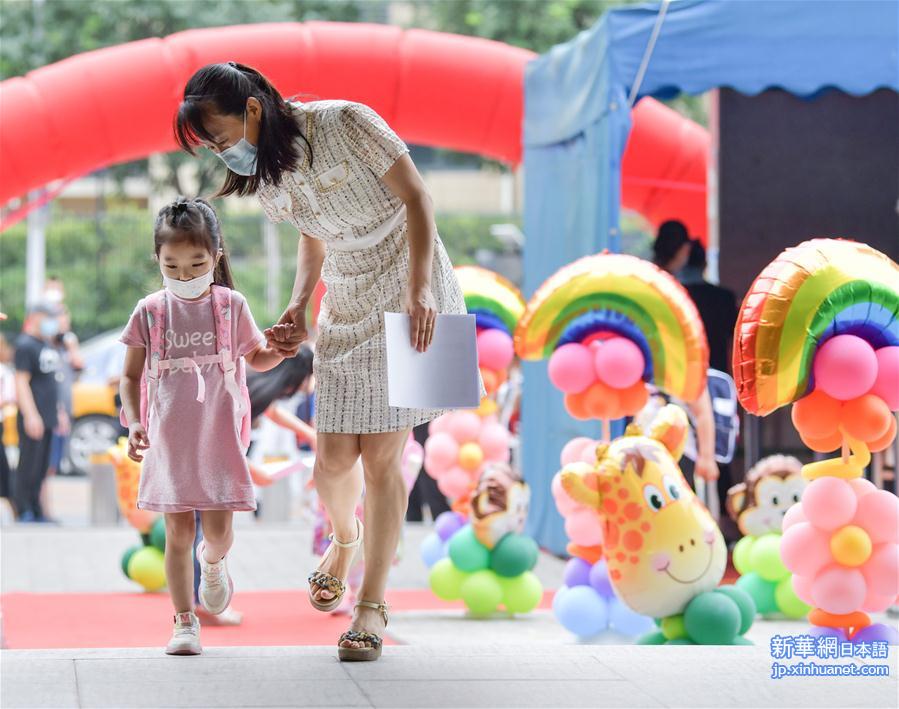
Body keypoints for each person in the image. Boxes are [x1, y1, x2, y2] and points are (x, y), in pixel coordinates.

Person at [176, 62, 470, 662]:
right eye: (212, 146)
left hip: (413, 286)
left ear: (253, 108)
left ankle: (371, 608)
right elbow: (313, 235)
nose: (221, 152)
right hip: (348, 294)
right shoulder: (266, 175)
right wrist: (298, 304)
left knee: (385, 458)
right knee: (333, 463)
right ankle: (345, 539)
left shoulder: (348, 122)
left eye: (221, 136)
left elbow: (418, 198)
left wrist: (418, 291)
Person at [119, 198, 285, 655]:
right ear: (158, 259)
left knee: (216, 533)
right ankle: (183, 621)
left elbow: (259, 358)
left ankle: (213, 563)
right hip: (169, 441)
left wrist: (284, 345)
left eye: (196, 264)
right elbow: (130, 376)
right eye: (172, 265)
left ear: (216, 258)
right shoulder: (149, 311)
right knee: (177, 534)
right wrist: (134, 421)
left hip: (219, 438)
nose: (185, 275)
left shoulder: (231, 306)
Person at [12, 303, 64, 522]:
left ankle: (37, 509)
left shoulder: (46, 344)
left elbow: (51, 381)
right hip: (33, 417)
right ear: (35, 317)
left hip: (49, 416)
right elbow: (21, 382)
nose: (51, 321)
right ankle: (24, 509)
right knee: (28, 465)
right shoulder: (24, 345)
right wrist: (31, 415)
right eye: (47, 317)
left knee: (42, 467)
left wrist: (58, 412)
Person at [680, 240, 738, 375]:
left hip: (685, 375)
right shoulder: (725, 297)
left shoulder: (676, 297)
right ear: (705, 264)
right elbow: (734, 341)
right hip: (718, 373)